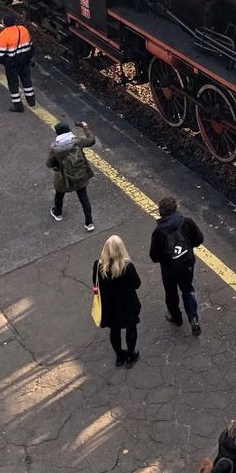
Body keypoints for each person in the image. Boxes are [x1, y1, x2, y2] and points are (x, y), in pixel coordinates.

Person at [149, 197, 204, 335]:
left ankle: (176, 317)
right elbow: (199, 239)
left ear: (160, 212)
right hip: (187, 263)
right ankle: (193, 318)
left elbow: (154, 257)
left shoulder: (158, 232)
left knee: (171, 293)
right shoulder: (187, 222)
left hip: (169, 269)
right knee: (187, 289)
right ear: (175, 208)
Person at [93, 235, 141, 367]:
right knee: (131, 329)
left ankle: (119, 356)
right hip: (128, 305)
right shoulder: (128, 267)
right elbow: (137, 284)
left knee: (114, 331)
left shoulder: (98, 266)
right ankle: (131, 355)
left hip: (109, 307)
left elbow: (95, 284)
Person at [46, 121, 96, 231]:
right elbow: (92, 140)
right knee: (84, 198)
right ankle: (89, 223)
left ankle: (58, 213)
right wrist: (85, 127)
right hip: (80, 176)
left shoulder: (55, 148)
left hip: (63, 179)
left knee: (59, 195)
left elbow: (48, 164)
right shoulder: (78, 142)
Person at [0, 14, 35, 113]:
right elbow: (30, 46)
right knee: (27, 80)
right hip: (24, 61)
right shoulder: (23, 29)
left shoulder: (3, 35)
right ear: (14, 22)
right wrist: (28, 58)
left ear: (4, 24)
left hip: (12, 64)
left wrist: (6, 63)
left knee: (13, 84)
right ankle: (31, 101)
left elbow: (0, 54)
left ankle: (18, 106)